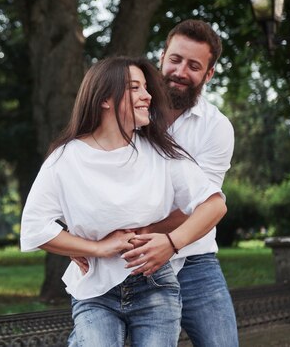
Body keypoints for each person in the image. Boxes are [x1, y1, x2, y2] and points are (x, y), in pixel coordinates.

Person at [20, 56, 227, 347]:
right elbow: (34, 228)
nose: (148, 96)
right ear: (105, 98)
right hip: (95, 290)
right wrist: (96, 247)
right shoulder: (66, 159)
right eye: (135, 88)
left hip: (155, 286)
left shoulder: (161, 153)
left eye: (146, 87)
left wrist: (171, 243)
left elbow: (215, 204)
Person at [74, 20, 238, 346]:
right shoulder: (124, 111)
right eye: (175, 59)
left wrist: (143, 238)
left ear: (208, 75)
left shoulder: (216, 128)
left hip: (193, 258)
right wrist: (86, 240)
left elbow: (202, 206)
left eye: (194, 66)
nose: (180, 71)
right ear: (162, 57)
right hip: (125, 259)